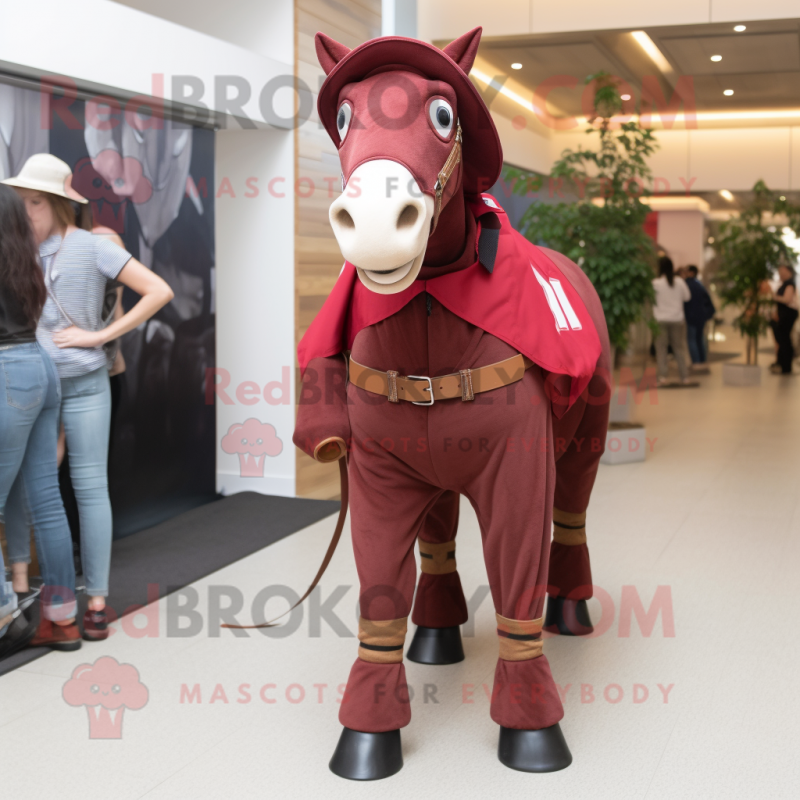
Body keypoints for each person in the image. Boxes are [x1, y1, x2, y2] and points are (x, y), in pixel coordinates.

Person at [2, 154, 174, 641]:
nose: (25, 212)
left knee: (88, 487)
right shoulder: (13, 249)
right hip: (32, 385)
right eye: (20, 203)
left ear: (58, 204)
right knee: (25, 486)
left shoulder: (91, 246)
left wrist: (99, 336)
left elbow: (157, 290)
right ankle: (22, 588)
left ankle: (95, 602)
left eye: (34, 202)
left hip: (81, 384)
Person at [0, 182, 80, 650]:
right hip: (38, 366)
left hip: (9, 375)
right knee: (46, 500)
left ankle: (7, 617)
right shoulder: (24, 262)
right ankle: (63, 619)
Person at [652, 256, 692, 385]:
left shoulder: (655, 283)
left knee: (661, 349)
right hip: (677, 319)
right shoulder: (679, 281)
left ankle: (663, 377)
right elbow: (687, 297)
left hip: (660, 319)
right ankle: (684, 376)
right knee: (679, 349)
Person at [683, 265, 715, 365]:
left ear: (691, 272)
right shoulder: (699, 285)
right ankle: (702, 361)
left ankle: (696, 363)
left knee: (692, 340)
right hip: (701, 317)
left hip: (691, 317)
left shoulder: (687, 285)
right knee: (700, 339)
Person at [770, 263, 798, 375]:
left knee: (784, 339)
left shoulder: (789, 283)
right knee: (782, 339)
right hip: (784, 314)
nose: (781, 273)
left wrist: (774, 297)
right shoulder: (785, 283)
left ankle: (786, 366)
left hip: (788, 314)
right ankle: (782, 364)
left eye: (782, 271)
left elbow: (787, 299)